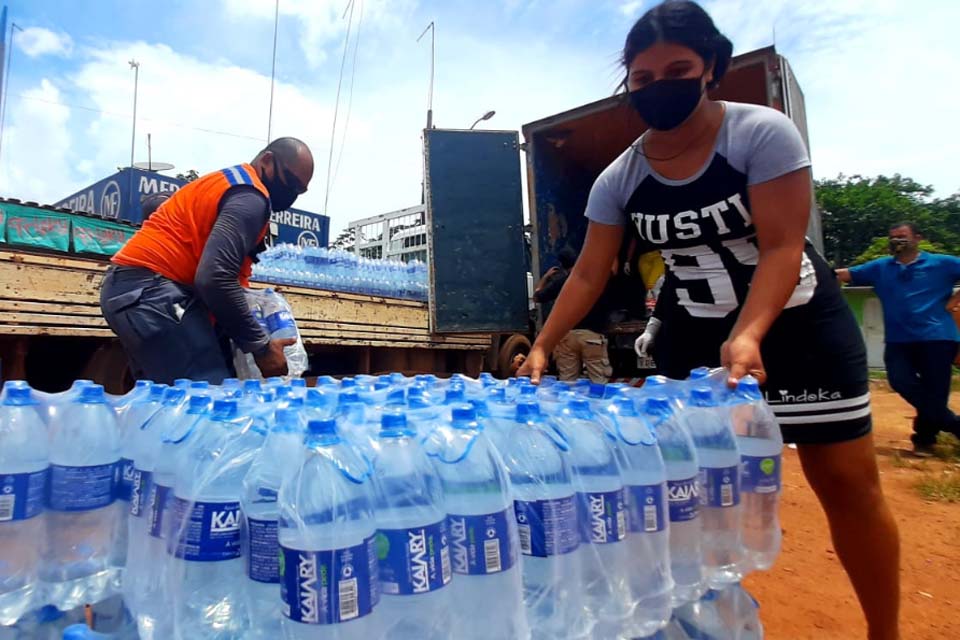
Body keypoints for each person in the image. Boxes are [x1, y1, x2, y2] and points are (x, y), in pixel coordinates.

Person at [517, 3, 900, 638]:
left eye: (677, 69)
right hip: (695, 337)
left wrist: (748, 333)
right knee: (687, 498)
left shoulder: (760, 136)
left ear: (711, 69)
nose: (658, 86)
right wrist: (542, 344)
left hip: (799, 326)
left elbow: (782, 245)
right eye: (642, 78)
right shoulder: (623, 177)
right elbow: (588, 273)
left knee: (847, 486)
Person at [100, 137, 314, 384]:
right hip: (152, 293)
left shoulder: (228, 182)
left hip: (135, 291)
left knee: (168, 402)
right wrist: (262, 348)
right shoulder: (251, 198)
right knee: (207, 398)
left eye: (300, 191)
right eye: (290, 183)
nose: (291, 195)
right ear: (266, 160)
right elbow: (214, 277)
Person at [837, 222, 960, 454]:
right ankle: (954, 425)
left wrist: (954, 301)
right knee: (900, 381)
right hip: (898, 340)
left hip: (937, 337)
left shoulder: (942, 263)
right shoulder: (881, 267)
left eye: (902, 236)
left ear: (918, 238)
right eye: (892, 237)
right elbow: (844, 274)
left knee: (935, 391)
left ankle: (925, 439)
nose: (896, 241)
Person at [533, 246, 614, 382]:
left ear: (562, 265)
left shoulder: (560, 283)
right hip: (592, 335)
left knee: (567, 382)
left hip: (566, 336)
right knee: (599, 382)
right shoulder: (597, 280)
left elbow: (537, 297)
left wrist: (546, 278)